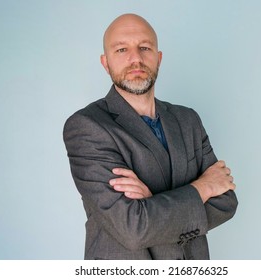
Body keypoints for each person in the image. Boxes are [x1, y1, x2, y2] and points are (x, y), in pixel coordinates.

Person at [63, 13, 238, 260]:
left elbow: (226, 203)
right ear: (106, 63)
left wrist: (152, 203)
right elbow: (133, 228)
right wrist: (202, 187)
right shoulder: (86, 127)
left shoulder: (188, 120)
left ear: (158, 58)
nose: (136, 58)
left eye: (144, 47)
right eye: (122, 49)